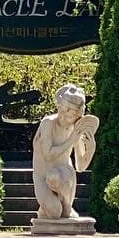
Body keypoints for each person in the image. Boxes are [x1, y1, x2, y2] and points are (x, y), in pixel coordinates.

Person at [31, 83, 99, 219]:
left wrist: (90, 149)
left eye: (69, 115)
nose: (63, 117)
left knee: (56, 177)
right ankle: (49, 206)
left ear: (77, 116)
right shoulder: (48, 123)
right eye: (62, 111)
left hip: (64, 176)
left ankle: (66, 207)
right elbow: (48, 155)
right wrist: (72, 140)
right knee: (54, 212)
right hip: (42, 176)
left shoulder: (75, 128)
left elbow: (80, 166)